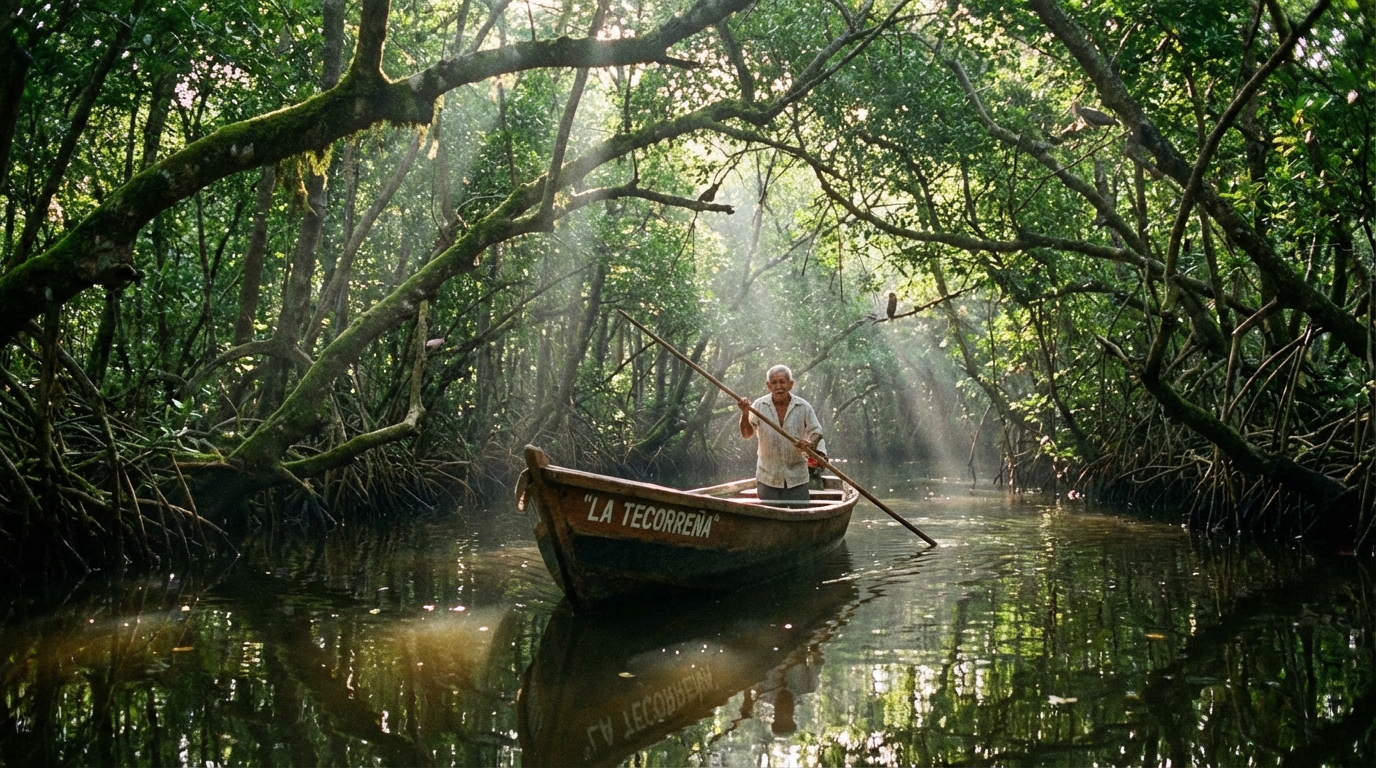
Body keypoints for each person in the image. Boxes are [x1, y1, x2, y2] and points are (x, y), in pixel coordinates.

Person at [738, 364, 825, 504]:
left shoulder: (803, 406)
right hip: (767, 477)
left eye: (782, 382)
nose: (778, 386)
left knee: (800, 520)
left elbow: (817, 432)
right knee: (769, 521)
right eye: (774, 382)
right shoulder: (758, 406)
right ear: (768, 385)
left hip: (797, 478)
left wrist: (809, 445)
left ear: (791, 384)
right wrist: (745, 413)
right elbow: (747, 434)